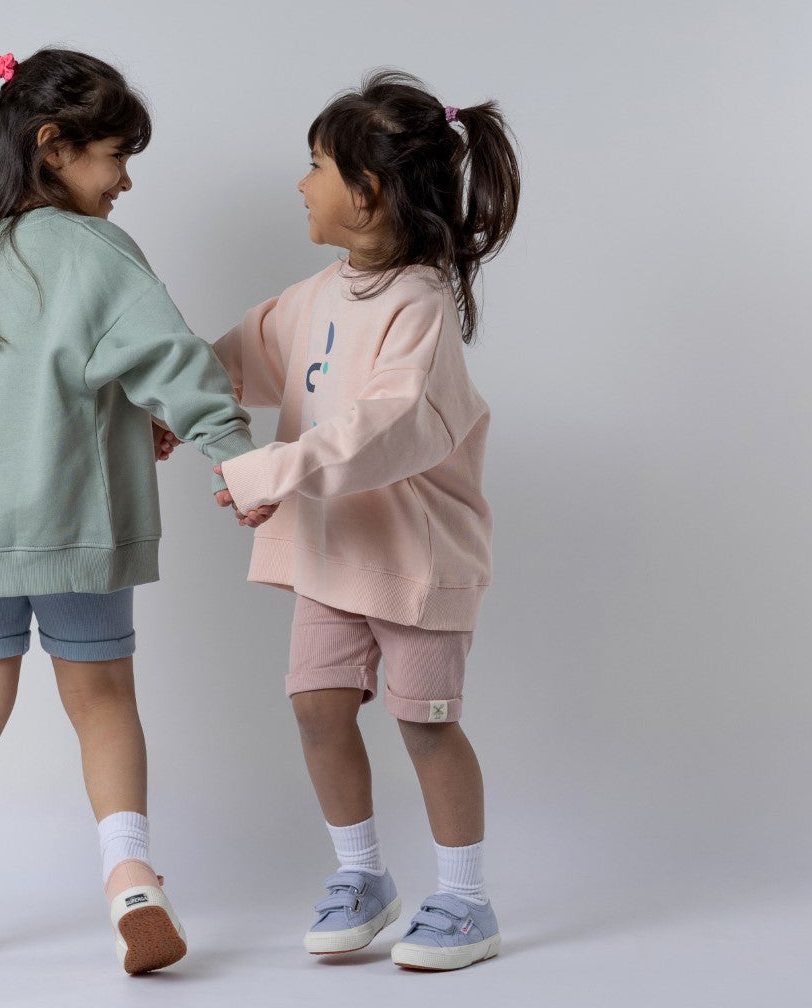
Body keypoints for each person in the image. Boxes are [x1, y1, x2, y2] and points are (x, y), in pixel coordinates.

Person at [0, 48, 258, 975]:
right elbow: (169, 358)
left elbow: (23, 388)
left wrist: (127, 416)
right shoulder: (92, 249)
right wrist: (239, 458)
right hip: (70, 521)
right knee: (100, 701)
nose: (126, 178)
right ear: (52, 146)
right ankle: (131, 879)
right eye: (114, 156)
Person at [211, 71, 520, 972]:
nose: (300, 184)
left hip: (416, 560)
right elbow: (235, 359)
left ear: (366, 190)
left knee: (424, 722)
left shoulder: (420, 305)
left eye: (313, 165)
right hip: (334, 553)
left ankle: (465, 899)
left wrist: (269, 469)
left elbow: (380, 431)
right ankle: (362, 877)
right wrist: (171, 406)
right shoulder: (314, 296)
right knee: (315, 705)